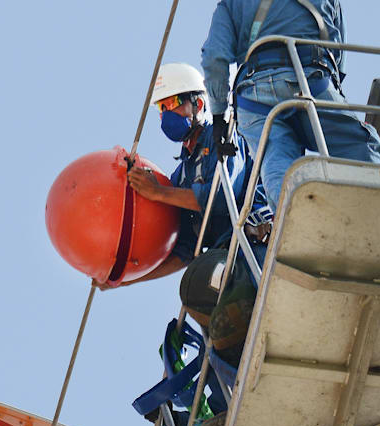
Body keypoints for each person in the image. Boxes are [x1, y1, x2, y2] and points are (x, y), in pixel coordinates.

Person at [110, 63, 270, 369]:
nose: (165, 114)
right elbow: (184, 249)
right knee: (196, 294)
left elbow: (221, 197)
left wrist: (158, 193)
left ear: (197, 104)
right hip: (227, 259)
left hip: (255, 245)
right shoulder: (181, 174)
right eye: (161, 107)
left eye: (170, 104)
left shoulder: (223, 136)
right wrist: (126, 279)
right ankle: (236, 379)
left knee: (203, 281)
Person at [201, 0, 380, 209]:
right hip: (310, 82)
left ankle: (293, 222)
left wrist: (218, 116)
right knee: (360, 145)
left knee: (280, 169)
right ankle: (378, 208)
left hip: (254, 98)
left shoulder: (232, 4)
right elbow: (335, 52)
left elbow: (214, 58)